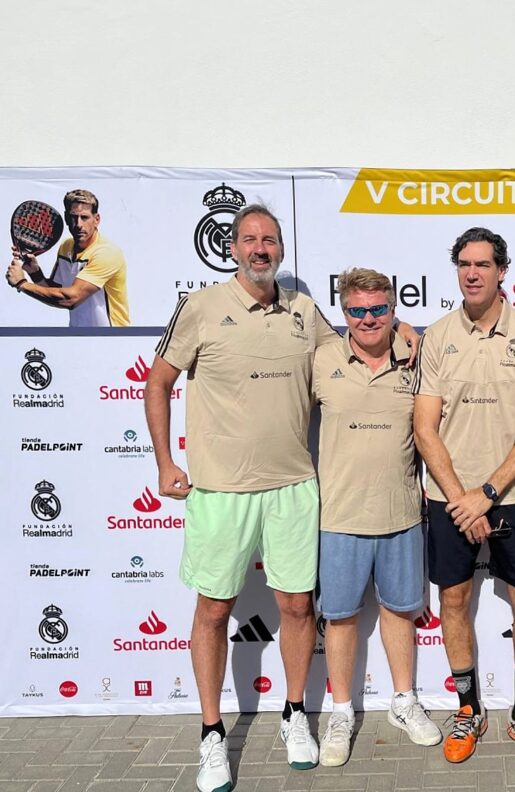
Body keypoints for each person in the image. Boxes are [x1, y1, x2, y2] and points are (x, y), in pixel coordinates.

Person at [144, 204, 339, 792]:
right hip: (221, 490)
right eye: (250, 240)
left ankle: (294, 713)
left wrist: (402, 332)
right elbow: (158, 381)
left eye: (270, 240)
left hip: (293, 485)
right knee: (213, 609)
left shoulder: (304, 310)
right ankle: (211, 733)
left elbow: (351, 356)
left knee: (298, 607)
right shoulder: (201, 306)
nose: (260, 249)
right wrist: (164, 462)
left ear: (281, 250)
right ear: (233, 249)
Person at [412, 227, 515, 766]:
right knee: (453, 602)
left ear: (502, 271)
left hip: (512, 495)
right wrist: (462, 499)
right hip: (450, 498)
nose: (472, 274)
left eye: (482, 265)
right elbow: (424, 429)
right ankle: (468, 710)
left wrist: (488, 493)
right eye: (464, 264)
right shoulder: (436, 335)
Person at [313, 268, 441, 766]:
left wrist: (409, 331)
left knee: (400, 612)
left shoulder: (415, 356)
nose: (368, 319)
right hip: (339, 515)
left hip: (401, 513)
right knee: (341, 618)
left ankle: (403, 701)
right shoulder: (322, 358)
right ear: (344, 312)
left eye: (379, 309)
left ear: (392, 309)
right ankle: (341, 712)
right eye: (357, 310)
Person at [6, 188, 130, 326]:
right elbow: (54, 291)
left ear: (96, 220)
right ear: (66, 218)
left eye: (84, 217)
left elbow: (70, 299)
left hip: (112, 336)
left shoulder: (106, 253)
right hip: (77, 334)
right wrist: (35, 273)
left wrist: (21, 284)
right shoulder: (66, 247)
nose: (78, 224)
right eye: (73, 217)